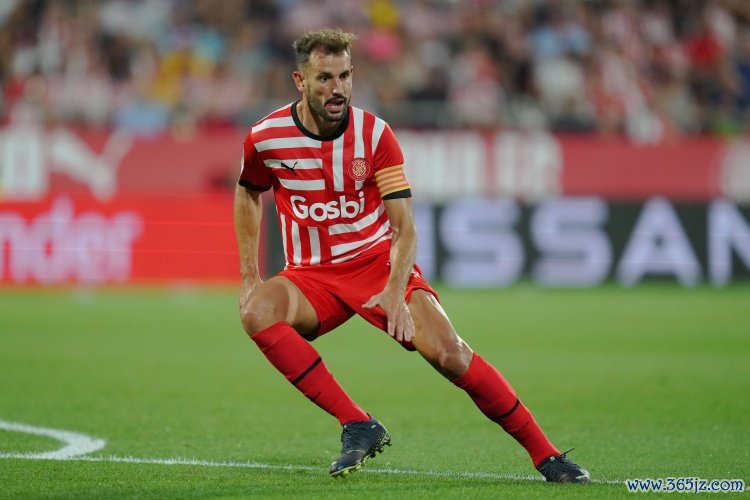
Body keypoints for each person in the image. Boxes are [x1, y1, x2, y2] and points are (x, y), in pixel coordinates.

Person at [234, 28, 590, 483]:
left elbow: (405, 228)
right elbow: (248, 193)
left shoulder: (375, 135)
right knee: (257, 312)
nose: (337, 88)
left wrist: (394, 289)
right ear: (300, 81)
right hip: (310, 275)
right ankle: (358, 423)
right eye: (324, 78)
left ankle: (548, 456)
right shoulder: (266, 137)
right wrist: (250, 275)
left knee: (450, 355)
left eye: (344, 76)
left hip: (376, 263)